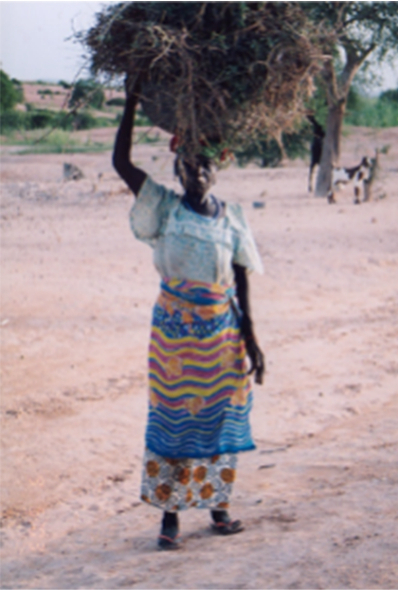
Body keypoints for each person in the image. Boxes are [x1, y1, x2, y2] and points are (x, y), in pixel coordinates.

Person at [113, 75, 266, 550]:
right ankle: (170, 519)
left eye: (203, 166)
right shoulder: (163, 209)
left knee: (220, 419)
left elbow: (239, 280)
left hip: (223, 338)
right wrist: (134, 97)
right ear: (177, 169)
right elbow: (120, 161)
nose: (195, 173)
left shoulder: (234, 218)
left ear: (217, 169)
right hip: (174, 340)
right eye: (187, 165)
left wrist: (253, 341)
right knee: (173, 419)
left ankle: (218, 509)